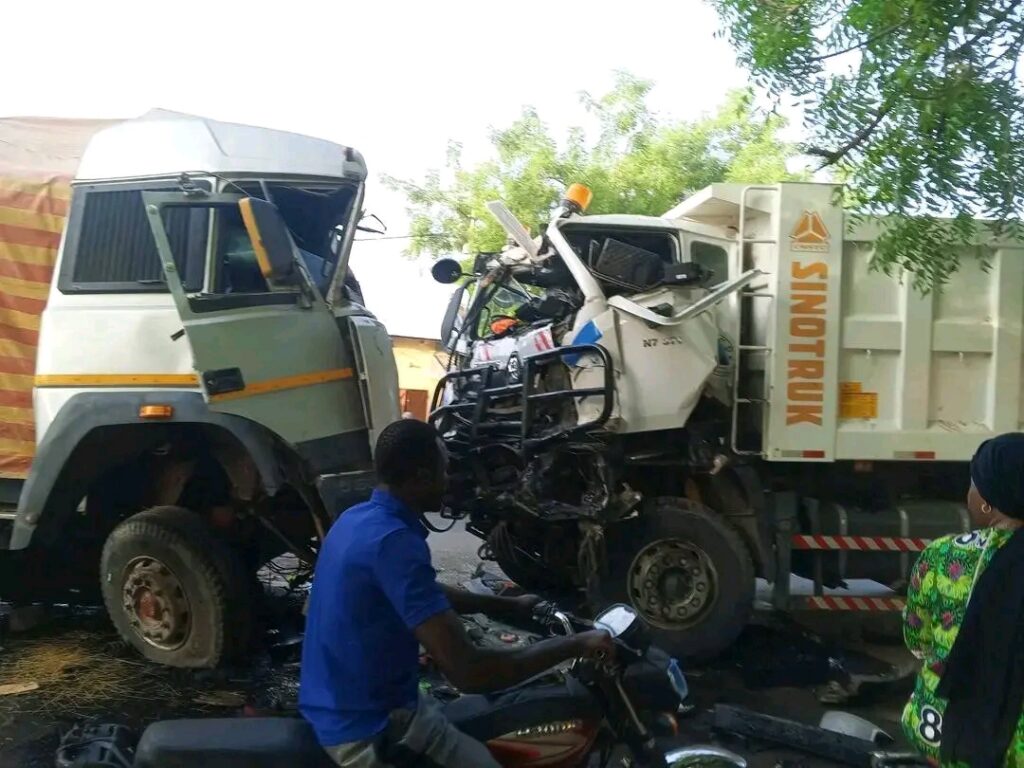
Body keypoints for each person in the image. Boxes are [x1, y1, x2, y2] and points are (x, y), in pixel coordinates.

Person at [300, 419, 614, 767]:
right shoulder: (394, 543)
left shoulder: (358, 519)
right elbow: (471, 673)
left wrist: (506, 606)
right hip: (369, 727)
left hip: (335, 702)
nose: (449, 480)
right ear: (420, 477)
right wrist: (577, 644)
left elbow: (419, 594)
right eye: (443, 469)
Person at [902, 433, 1024, 766]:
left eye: (974, 481)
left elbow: (919, 641)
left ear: (988, 500)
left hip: (944, 730)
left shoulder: (943, 556)